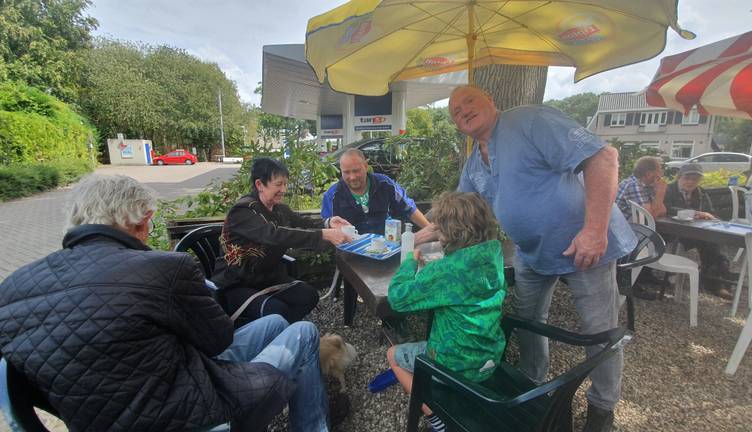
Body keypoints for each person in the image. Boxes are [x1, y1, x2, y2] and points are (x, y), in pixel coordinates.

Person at [0, 174, 337, 432]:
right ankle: (312, 424)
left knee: (276, 324)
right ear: (140, 220)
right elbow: (217, 339)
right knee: (304, 332)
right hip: (193, 414)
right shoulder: (164, 268)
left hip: (102, 415)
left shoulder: (13, 288)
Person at [416, 85, 636, 432]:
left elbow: (603, 157)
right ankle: (534, 384)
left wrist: (594, 229)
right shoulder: (475, 162)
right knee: (526, 318)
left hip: (585, 246)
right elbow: (456, 212)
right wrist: (417, 239)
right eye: (455, 112)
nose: (463, 112)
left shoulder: (530, 120)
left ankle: (602, 406)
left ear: (491, 98)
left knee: (599, 332)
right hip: (531, 252)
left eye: (468, 101)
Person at [386, 191, 506, 432]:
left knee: (392, 355)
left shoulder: (445, 271)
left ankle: (436, 418)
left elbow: (397, 299)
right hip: (491, 356)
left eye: (439, 227)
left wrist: (411, 260)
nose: (436, 232)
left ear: (453, 231)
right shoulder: (493, 253)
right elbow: (461, 286)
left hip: (455, 365)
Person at [212, 158, 351, 324]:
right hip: (237, 283)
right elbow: (273, 235)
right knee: (277, 311)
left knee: (309, 296)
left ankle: (281, 333)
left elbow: (305, 224)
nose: (283, 189)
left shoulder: (280, 210)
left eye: (285, 184)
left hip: (267, 278)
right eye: (278, 184)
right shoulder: (243, 211)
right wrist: (324, 234)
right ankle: (268, 339)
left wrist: (329, 223)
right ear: (259, 184)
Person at [664, 162, 737, 298]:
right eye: (687, 178)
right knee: (710, 244)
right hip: (673, 231)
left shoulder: (701, 192)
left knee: (714, 245)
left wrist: (711, 217)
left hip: (697, 231)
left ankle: (716, 282)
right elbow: (666, 208)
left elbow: (710, 212)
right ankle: (714, 283)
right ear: (679, 177)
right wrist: (694, 213)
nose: (691, 182)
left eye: (695, 179)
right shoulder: (669, 190)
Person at [321, 148, 430, 234]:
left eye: (356, 171)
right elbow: (326, 223)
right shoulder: (332, 195)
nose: (352, 177)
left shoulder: (385, 184)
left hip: (387, 246)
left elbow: (409, 209)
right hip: (351, 252)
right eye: (346, 172)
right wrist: (329, 223)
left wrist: (431, 231)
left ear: (365, 166)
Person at [615, 156, 667, 220]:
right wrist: (661, 191)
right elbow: (650, 217)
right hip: (622, 228)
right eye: (659, 170)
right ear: (648, 174)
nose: (661, 173)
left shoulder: (648, 185)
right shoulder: (633, 185)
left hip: (635, 225)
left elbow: (663, 211)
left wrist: (655, 208)